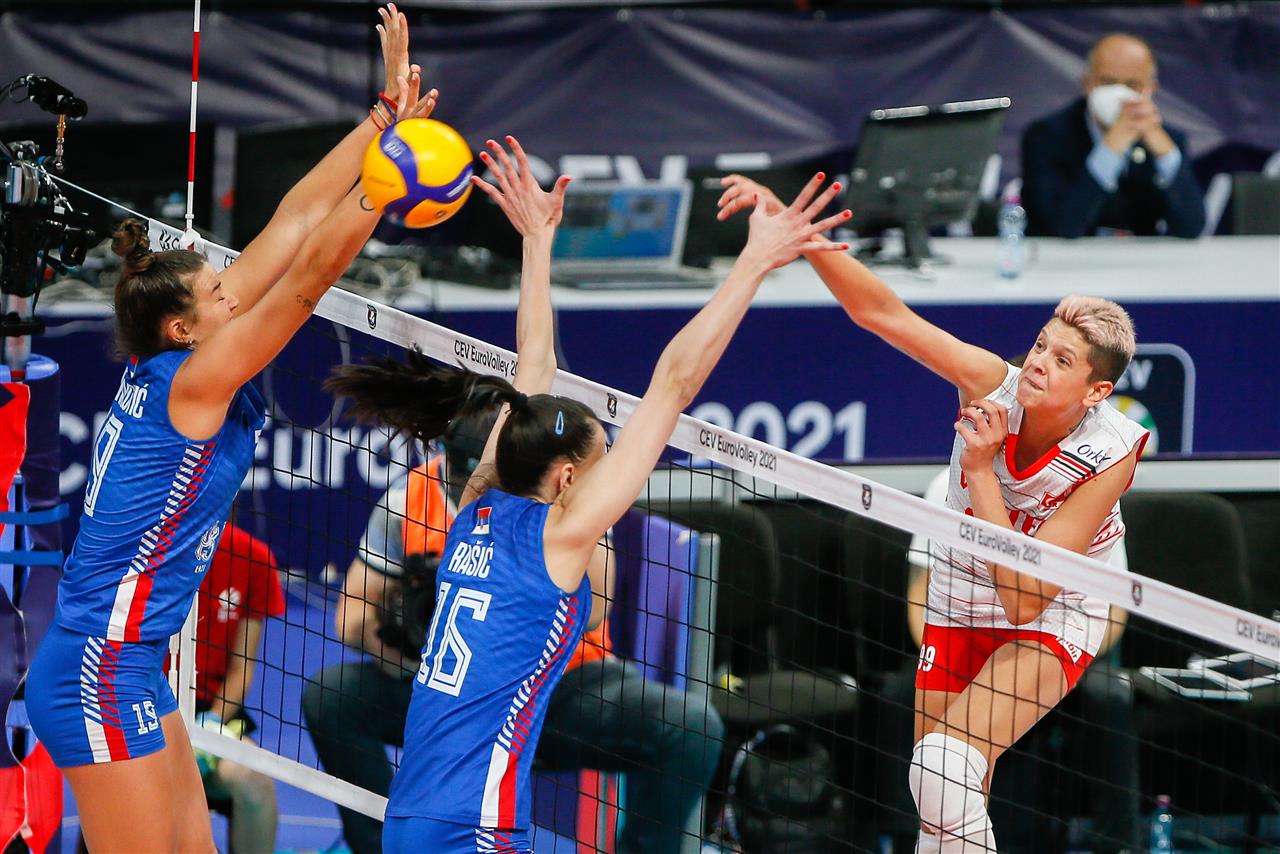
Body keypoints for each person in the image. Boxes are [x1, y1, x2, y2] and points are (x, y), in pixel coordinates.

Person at [324, 138, 846, 853]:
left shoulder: (473, 506)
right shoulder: (561, 540)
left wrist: (537, 241)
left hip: (413, 818)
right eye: (601, 462)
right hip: (471, 831)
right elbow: (674, 383)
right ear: (567, 480)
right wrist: (753, 262)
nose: (610, 473)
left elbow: (531, 373)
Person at [23, 8, 435, 850]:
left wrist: (382, 120)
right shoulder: (196, 382)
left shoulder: (181, 357)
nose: (234, 291)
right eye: (219, 294)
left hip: (127, 663)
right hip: (97, 670)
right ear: (184, 329)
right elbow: (306, 278)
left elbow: (292, 221)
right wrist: (383, 187)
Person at [718, 173, 1147, 853]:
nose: (1038, 362)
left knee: (944, 766)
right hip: (960, 596)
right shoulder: (989, 382)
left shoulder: (1110, 454)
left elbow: (1025, 597)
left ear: (1095, 392)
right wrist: (803, 237)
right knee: (940, 800)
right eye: (1040, 344)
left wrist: (979, 472)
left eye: (1062, 359)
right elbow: (882, 313)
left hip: (1050, 615)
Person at [303, 404, 726, 854]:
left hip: (568, 690)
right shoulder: (412, 496)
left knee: (691, 727)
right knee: (333, 697)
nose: (475, 485)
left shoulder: (570, 515)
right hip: (455, 699)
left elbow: (596, 610)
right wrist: (410, 639)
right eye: (460, 472)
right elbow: (351, 618)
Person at [1021, 32, 1205, 239]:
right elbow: (1061, 227)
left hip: (1138, 257)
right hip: (1070, 257)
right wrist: (1110, 149)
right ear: (1087, 84)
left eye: (1132, 85)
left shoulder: (1168, 139)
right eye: (1108, 82)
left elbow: (1191, 229)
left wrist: (1166, 156)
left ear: (1151, 89)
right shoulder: (1047, 136)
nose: (1120, 94)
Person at [191, 523, 287, 854]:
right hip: (142, 709)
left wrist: (211, 727)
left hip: (210, 713)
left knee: (253, 780)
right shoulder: (142, 547)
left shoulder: (253, 557)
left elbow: (241, 667)